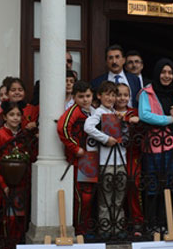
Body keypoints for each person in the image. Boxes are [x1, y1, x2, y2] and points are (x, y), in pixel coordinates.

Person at [138, 58, 173, 228]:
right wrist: (169, 119)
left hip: (171, 146)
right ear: (157, 73)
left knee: (170, 187)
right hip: (152, 147)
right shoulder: (146, 92)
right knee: (152, 187)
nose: (167, 76)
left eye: (170, 72)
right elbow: (145, 115)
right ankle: (152, 224)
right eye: (163, 72)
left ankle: (168, 224)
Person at [84, 81, 127, 237]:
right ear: (99, 96)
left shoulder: (116, 113)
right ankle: (105, 229)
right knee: (105, 199)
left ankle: (118, 227)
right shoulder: (98, 113)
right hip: (105, 162)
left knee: (119, 198)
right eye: (107, 94)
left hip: (121, 161)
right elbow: (88, 127)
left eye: (113, 94)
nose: (110, 98)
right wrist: (105, 138)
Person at [57, 81, 96, 236]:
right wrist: (75, 148)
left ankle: (85, 228)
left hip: (91, 157)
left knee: (89, 195)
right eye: (81, 96)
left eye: (88, 96)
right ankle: (79, 230)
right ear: (74, 97)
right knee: (82, 197)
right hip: (80, 159)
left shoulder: (92, 111)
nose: (85, 99)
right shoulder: (74, 111)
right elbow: (62, 128)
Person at [114, 83, 143, 230]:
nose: (122, 98)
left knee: (133, 184)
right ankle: (118, 222)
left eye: (125, 95)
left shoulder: (135, 112)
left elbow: (142, 130)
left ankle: (136, 220)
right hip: (113, 155)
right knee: (115, 187)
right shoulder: (108, 112)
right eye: (119, 95)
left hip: (132, 155)